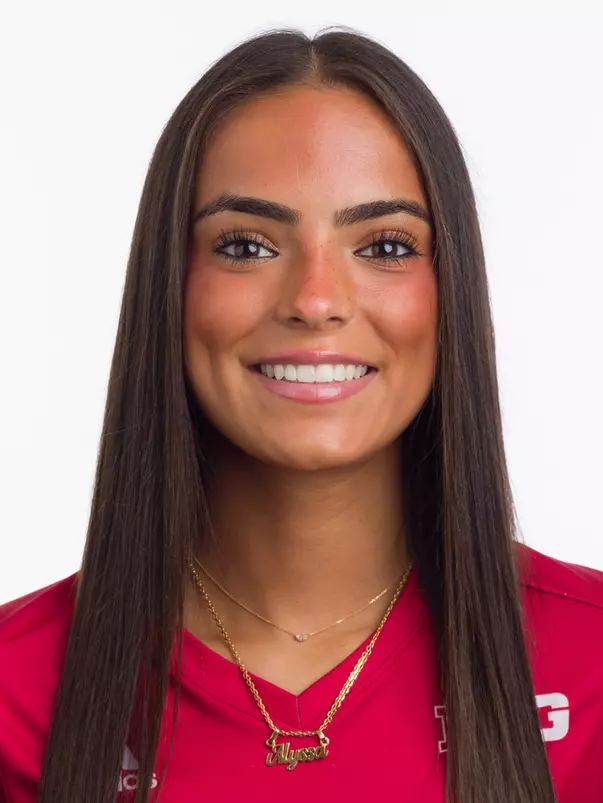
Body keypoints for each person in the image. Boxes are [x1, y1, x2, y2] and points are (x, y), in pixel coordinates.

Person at [0, 26, 602, 803]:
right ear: (170, 285)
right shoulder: (16, 692)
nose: (315, 300)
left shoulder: (588, 668)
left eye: (383, 246)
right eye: (247, 246)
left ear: (447, 289)